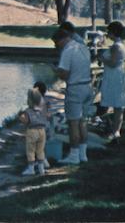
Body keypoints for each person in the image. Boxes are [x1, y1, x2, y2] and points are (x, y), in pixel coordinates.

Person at [52, 28, 93, 165]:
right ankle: (83, 154)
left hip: (75, 89)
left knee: (73, 124)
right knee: (83, 122)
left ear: (62, 40)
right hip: (87, 87)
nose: (57, 47)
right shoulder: (83, 48)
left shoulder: (68, 51)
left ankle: (74, 155)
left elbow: (64, 74)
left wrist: (56, 71)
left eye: (57, 44)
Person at [97, 21, 125, 140]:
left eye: (109, 32)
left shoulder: (117, 46)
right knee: (116, 104)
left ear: (113, 32)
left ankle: (116, 131)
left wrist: (101, 58)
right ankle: (113, 129)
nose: (107, 34)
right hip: (114, 75)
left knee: (117, 105)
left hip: (115, 76)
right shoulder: (119, 44)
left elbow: (113, 63)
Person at [19, 88, 48, 176]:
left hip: (32, 131)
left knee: (30, 151)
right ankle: (41, 169)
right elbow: (46, 117)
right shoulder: (42, 110)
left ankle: (31, 169)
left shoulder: (28, 111)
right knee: (40, 150)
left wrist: (20, 116)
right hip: (42, 131)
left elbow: (26, 121)